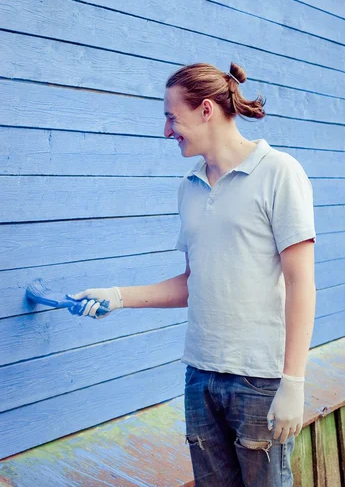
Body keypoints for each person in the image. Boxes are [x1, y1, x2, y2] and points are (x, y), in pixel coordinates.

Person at [67, 62, 317, 487]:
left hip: (259, 381)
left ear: (205, 110)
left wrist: (293, 380)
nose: (167, 131)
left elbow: (301, 282)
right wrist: (118, 295)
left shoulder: (279, 172)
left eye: (171, 117)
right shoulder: (190, 186)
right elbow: (193, 282)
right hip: (200, 375)